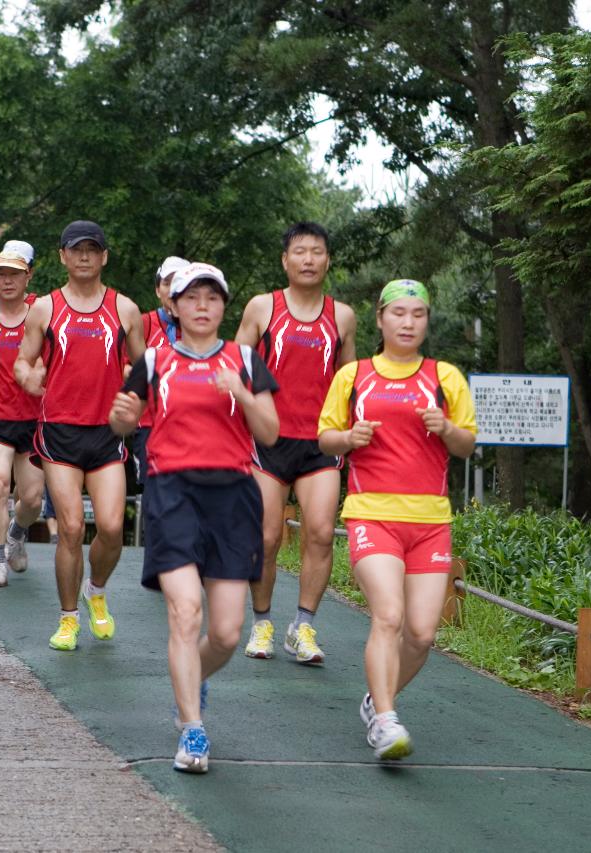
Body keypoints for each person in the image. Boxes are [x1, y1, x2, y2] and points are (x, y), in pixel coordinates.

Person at [110, 262, 279, 773]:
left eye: (212, 297)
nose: (202, 306)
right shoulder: (155, 361)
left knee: (227, 632)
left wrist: (242, 392)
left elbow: (270, 433)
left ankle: (192, 680)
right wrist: (121, 417)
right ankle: (192, 730)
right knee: (186, 612)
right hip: (172, 492)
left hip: (233, 497)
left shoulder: (246, 359)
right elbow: (125, 419)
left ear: (224, 306)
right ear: (175, 306)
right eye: (192, 297)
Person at [317, 279, 476, 760]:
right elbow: (325, 436)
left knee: (423, 634)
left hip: (431, 520)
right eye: (399, 313)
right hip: (371, 513)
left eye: (418, 314)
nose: (408, 323)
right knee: (388, 615)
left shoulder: (445, 376)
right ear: (381, 319)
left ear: (427, 321)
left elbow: (467, 444)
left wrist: (446, 428)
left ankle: (375, 699)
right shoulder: (355, 376)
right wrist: (350, 439)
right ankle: (386, 721)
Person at [15, 220, 145, 651]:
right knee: (70, 527)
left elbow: (144, 371)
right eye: (77, 249)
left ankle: (97, 590)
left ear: (104, 256)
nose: (85, 256)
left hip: (107, 434)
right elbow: (22, 361)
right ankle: (68, 618)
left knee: (110, 527)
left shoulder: (124, 309)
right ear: (63, 256)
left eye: (93, 249)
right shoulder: (45, 309)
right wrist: (29, 378)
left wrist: (133, 391)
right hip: (59, 433)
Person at [234, 222, 356, 664]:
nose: (308, 259)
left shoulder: (341, 316)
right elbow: (234, 362)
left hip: (320, 445)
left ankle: (302, 626)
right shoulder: (263, 308)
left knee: (321, 534)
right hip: (268, 442)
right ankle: (262, 622)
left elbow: (351, 380)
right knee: (265, 538)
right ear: (285, 260)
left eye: (317, 251)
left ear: (327, 260)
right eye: (300, 251)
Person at [0, 243, 45, 587]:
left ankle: (16, 534)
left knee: (31, 500)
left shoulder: (43, 313)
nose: (7, 279)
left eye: (14, 273)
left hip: (35, 418)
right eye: (0, 273)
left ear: (28, 276)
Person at [132, 256, 187, 502]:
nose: (172, 288)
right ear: (157, 289)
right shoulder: (144, 323)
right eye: (166, 283)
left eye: (180, 282)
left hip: (190, 424)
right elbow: (124, 370)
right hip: (149, 424)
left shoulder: (200, 326)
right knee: (155, 494)